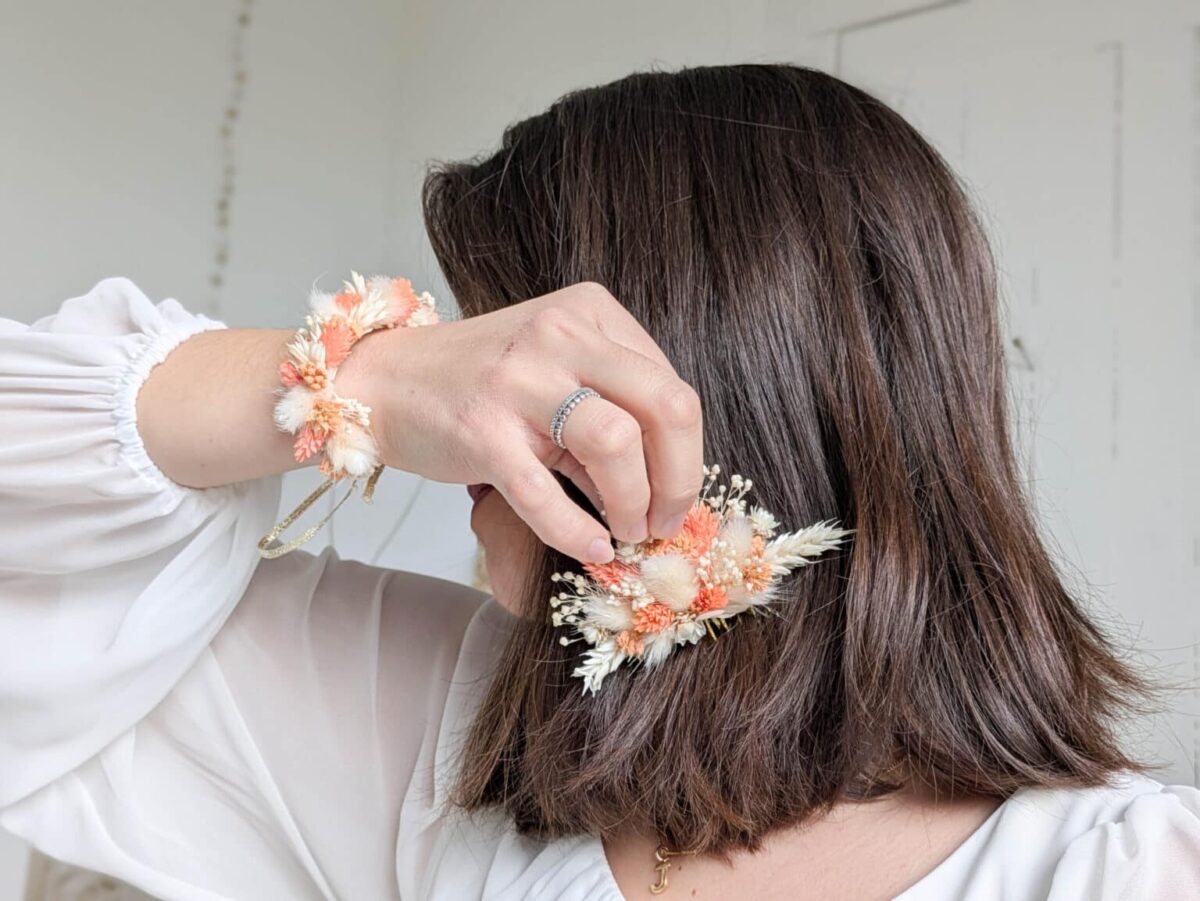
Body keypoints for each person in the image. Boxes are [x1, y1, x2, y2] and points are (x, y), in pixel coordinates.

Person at [1, 63, 1197, 901]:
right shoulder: (442, 734)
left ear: (715, 395)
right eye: (482, 340)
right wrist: (366, 376)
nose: (484, 413)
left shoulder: (1124, 870)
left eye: (527, 335)